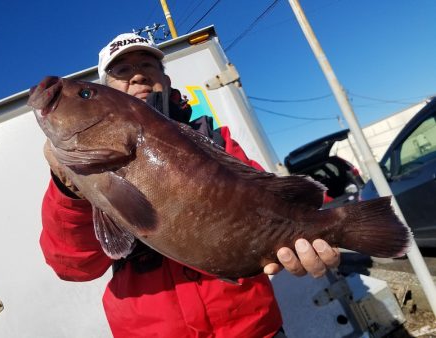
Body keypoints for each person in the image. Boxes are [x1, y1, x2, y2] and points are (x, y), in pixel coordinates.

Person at [40, 33, 340, 338]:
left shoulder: (215, 139)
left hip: (252, 330)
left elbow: (278, 203)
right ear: (109, 88)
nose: (139, 74)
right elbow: (74, 267)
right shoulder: (75, 175)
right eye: (122, 71)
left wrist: (323, 225)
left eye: (148, 65)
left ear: (165, 80)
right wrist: (68, 193)